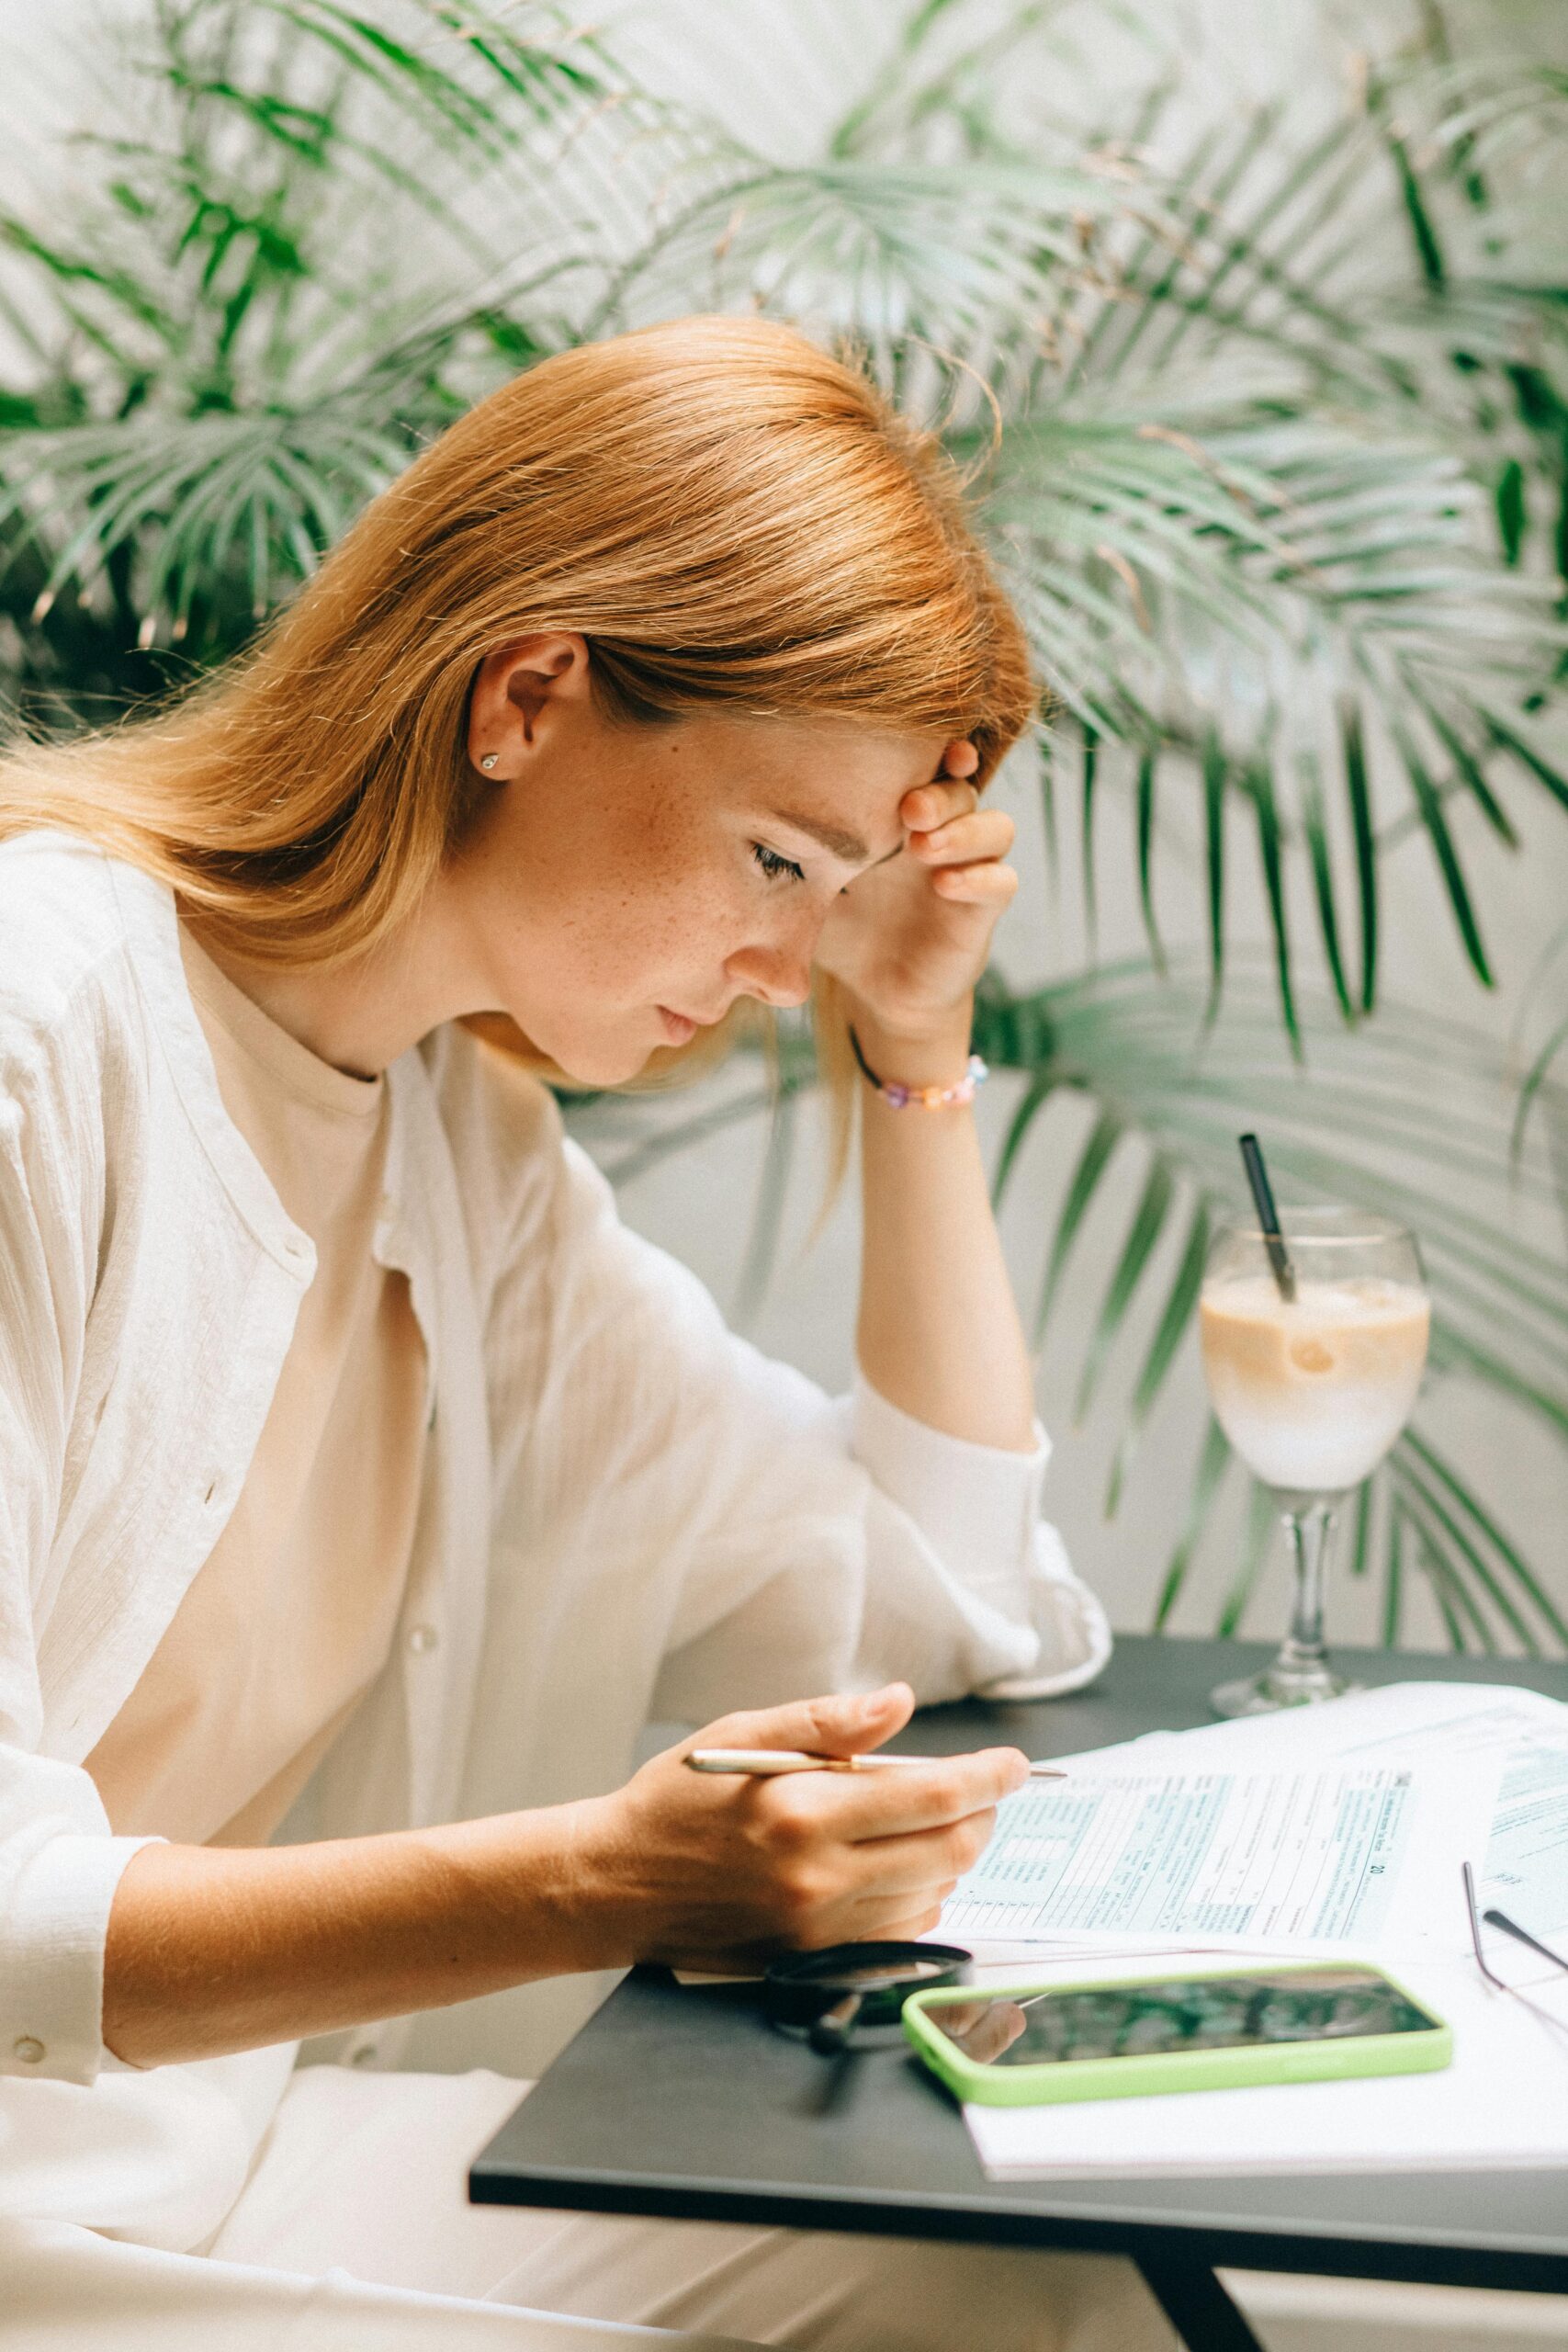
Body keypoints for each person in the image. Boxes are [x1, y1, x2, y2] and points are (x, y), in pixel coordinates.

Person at [0, 312, 1182, 2350]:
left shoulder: (459, 1144)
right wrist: (601, 1876)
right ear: (528, 693)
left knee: (1038, 2255)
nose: (777, 955)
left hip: (202, 2153)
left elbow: (923, 1600)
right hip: (47, 2221)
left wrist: (910, 1047)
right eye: (774, 858)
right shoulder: (49, 1030)